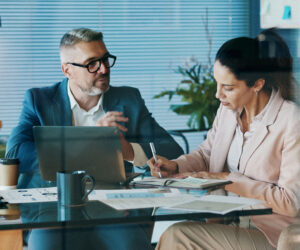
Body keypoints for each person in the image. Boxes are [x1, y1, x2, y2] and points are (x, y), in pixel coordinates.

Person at [5, 27, 183, 250]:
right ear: (67, 70)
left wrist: (128, 151)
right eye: (92, 63)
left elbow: (173, 150)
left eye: (106, 60)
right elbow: (15, 152)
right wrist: (89, 139)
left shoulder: (129, 99)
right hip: (54, 209)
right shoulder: (39, 100)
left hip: (117, 210)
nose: (104, 69)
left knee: (133, 246)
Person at [148, 29, 300, 249]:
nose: (218, 95)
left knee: (178, 236)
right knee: (174, 231)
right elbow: (208, 153)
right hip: (226, 221)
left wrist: (228, 179)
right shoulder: (228, 110)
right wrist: (176, 165)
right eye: (217, 84)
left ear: (257, 84)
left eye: (228, 88)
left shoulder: (291, 120)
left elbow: (290, 202)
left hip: (270, 235)